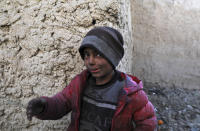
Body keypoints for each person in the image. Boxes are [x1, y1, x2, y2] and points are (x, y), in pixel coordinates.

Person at [26, 26, 157, 131]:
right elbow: (61, 103)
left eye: (98, 54)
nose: (90, 61)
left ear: (113, 58)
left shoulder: (131, 92)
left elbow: (147, 123)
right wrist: (44, 106)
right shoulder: (80, 83)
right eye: (87, 55)